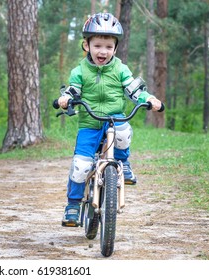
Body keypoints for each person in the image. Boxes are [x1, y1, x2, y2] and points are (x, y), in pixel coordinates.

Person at [57, 13, 163, 227]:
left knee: (124, 131)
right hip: (90, 124)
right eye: (97, 45)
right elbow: (73, 90)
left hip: (115, 120)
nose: (102, 51)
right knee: (81, 166)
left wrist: (149, 98)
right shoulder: (79, 71)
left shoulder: (120, 69)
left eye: (108, 46)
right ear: (86, 45)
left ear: (115, 48)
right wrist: (66, 99)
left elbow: (134, 90)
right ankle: (73, 205)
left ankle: (122, 162)